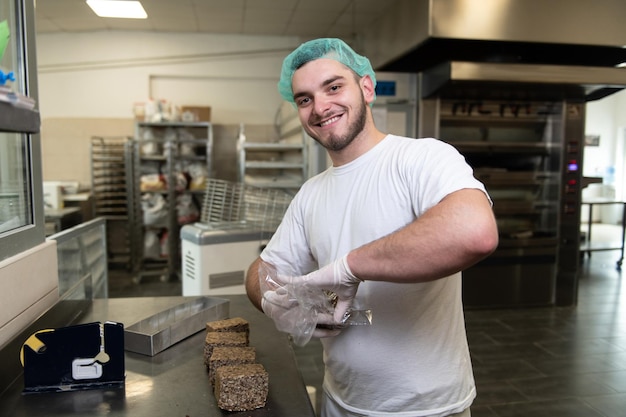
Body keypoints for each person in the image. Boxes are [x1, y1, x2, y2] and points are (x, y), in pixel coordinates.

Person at [245, 38, 498, 417]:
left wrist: (350, 267)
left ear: (366, 87)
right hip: (340, 400)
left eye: (333, 87)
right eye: (304, 99)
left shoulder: (422, 158)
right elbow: (262, 269)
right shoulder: (311, 193)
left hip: (426, 407)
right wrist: (271, 299)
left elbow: (475, 231)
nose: (320, 107)